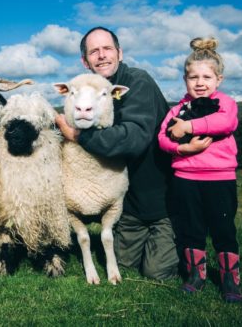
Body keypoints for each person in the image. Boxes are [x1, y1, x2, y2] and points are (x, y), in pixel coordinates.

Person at [55, 26, 178, 280]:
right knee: (124, 263)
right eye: (94, 51)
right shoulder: (89, 91)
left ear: (119, 53)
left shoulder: (138, 82)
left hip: (162, 201)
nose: (102, 56)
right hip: (129, 203)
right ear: (85, 60)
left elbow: (133, 138)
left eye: (107, 49)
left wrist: (77, 136)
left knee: (156, 272)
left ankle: (182, 237)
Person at [158, 37, 242, 303]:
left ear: (219, 79)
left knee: (223, 229)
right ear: (185, 80)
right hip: (185, 178)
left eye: (207, 76)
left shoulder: (226, 104)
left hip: (220, 179)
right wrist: (181, 149)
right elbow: (163, 137)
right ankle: (196, 276)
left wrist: (188, 128)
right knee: (191, 229)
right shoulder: (178, 109)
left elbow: (224, 122)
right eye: (193, 77)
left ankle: (230, 280)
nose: (200, 82)